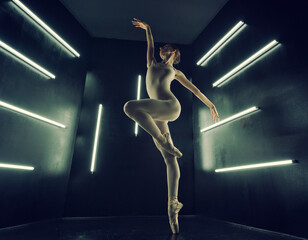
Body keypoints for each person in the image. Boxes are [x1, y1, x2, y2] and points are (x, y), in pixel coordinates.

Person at [123, 18, 219, 234]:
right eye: (161, 48)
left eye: (166, 49)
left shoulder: (176, 73)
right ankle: (173, 206)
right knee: (170, 159)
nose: (161, 49)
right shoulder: (151, 63)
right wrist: (148, 28)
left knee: (129, 106)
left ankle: (161, 140)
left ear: (173, 52)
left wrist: (211, 104)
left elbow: (195, 90)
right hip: (158, 115)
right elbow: (149, 43)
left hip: (170, 106)